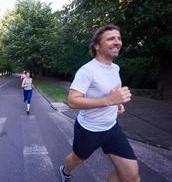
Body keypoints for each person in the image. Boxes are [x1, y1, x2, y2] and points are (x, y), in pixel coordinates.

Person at [59, 24, 140, 182]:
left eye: (119, 38)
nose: (117, 42)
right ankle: (65, 171)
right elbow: (72, 102)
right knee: (78, 159)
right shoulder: (87, 71)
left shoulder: (115, 68)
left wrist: (117, 104)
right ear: (97, 46)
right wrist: (109, 101)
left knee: (132, 177)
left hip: (112, 128)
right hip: (89, 129)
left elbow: (111, 94)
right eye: (111, 39)